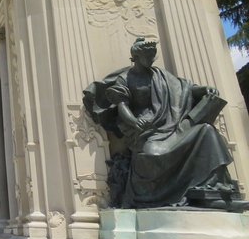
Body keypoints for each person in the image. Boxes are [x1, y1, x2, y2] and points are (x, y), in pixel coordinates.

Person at [84, 37, 240, 208]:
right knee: (153, 155)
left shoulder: (160, 75)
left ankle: (213, 189)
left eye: (153, 54)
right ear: (136, 56)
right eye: (148, 54)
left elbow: (183, 88)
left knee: (207, 131)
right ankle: (163, 195)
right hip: (146, 132)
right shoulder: (125, 78)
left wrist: (203, 90)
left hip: (173, 125)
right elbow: (122, 107)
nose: (151, 58)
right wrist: (135, 122)